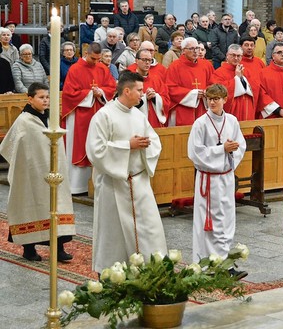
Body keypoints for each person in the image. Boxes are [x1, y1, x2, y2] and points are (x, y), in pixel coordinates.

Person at [86, 71, 167, 272]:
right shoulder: (103, 116)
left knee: (150, 229)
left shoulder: (138, 115)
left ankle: (151, 270)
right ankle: (112, 273)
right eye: (139, 90)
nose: (142, 94)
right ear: (127, 90)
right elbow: (95, 151)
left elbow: (154, 141)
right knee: (114, 235)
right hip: (114, 184)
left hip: (139, 183)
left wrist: (146, 145)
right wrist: (127, 146)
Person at [0, 83, 76, 262]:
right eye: (41, 97)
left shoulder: (52, 119)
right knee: (31, 206)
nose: (45, 101)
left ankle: (59, 248)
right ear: (30, 98)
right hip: (31, 174)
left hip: (54, 172)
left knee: (57, 205)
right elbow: (9, 147)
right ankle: (29, 249)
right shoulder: (24, 121)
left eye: (47, 97)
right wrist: (24, 166)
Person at [187, 83, 247, 278]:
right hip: (208, 180)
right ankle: (209, 264)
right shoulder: (201, 123)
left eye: (216, 99)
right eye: (209, 99)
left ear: (224, 100)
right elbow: (195, 153)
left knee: (227, 219)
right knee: (212, 222)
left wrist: (232, 153)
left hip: (226, 177)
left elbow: (241, 145)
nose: (212, 102)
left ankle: (224, 261)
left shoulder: (232, 121)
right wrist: (222, 150)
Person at [61, 42, 117, 195]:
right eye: (93, 58)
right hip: (80, 114)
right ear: (86, 53)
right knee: (79, 145)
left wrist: (101, 91)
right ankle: (77, 186)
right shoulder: (75, 69)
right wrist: (90, 93)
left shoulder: (102, 68)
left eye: (99, 59)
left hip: (98, 111)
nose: (96, 62)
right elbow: (68, 94)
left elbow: (112, 87)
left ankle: (95, 185)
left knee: (98, 143)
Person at [165, 37, 214, 126]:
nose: (195, 51)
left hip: (203, 106)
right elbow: (170, 88)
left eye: (197, 48)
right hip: (183, 109)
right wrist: (193, 94)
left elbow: (213, 83)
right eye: (191, 48)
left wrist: (207, 91)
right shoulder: (175, 66)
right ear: (183, 51)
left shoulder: (206, 65)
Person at [212, 42, 261, 121]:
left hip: (247, 109)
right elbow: (219, 91)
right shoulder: (219, 72)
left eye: (238, 56)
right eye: (233, 55)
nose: (236, 58)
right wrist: (237, 78)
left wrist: (242, 79)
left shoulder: (247, 71)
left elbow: (255, 87)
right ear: (227, 56)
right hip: (232, 111)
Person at [133, 48, 170, 127]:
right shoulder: (130, 79)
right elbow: (126, 101)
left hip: (155, 121)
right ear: (136, 61)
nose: (147, 63)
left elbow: (167, 100)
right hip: (137, 123)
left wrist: (155, 97)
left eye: (149, 60)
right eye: (144, 60)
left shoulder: (157, 79)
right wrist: (144, 98)